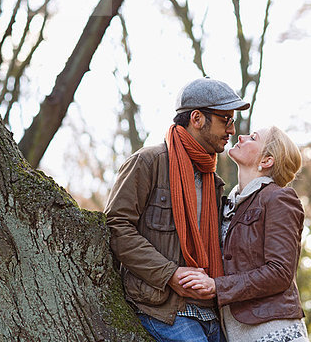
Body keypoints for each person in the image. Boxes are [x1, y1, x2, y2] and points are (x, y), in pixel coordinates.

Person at [104, 77, 249, 342]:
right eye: (225, 119)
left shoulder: (213, 181)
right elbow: (116, 227)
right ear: (197, 118)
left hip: (210, 311)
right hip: (162, 308)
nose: (231, 129)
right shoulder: (148, 162)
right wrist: (169, 273)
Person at [178, 126, 309, 342]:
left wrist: (217, 286)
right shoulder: (228, 204)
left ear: (267, 160)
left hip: (274, 332)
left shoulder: (279, 198)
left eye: (253, 138)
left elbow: (280, 272)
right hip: (236, 333)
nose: (241, 136)